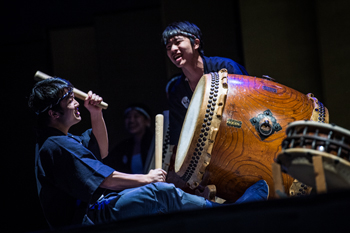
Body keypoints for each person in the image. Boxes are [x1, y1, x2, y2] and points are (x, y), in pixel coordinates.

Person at [29, 78, 268, 229]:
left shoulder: (61, 141)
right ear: (53, 114)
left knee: (161, 200)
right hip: (87, 219)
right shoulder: (56, 146)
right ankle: (230, 216)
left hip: (93, 212)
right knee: (160, 193)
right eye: (70, 100)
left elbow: (101, 149)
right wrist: (148, 179)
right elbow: (106, 179)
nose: (76, 103)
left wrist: (95, 112)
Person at [162, 21, 249, 145]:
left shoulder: (226, 68)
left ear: (196, 43)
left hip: (242, 137)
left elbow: (247, 104)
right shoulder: (177, 91)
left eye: (177, 42)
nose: (173, 49)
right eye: (168, 47)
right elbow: (178, 137)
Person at [103, 104, 153, 174]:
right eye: (128, 117)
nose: (131, 120)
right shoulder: (122, 147)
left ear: (147, 121)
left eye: (136, 116)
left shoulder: (154, 144)